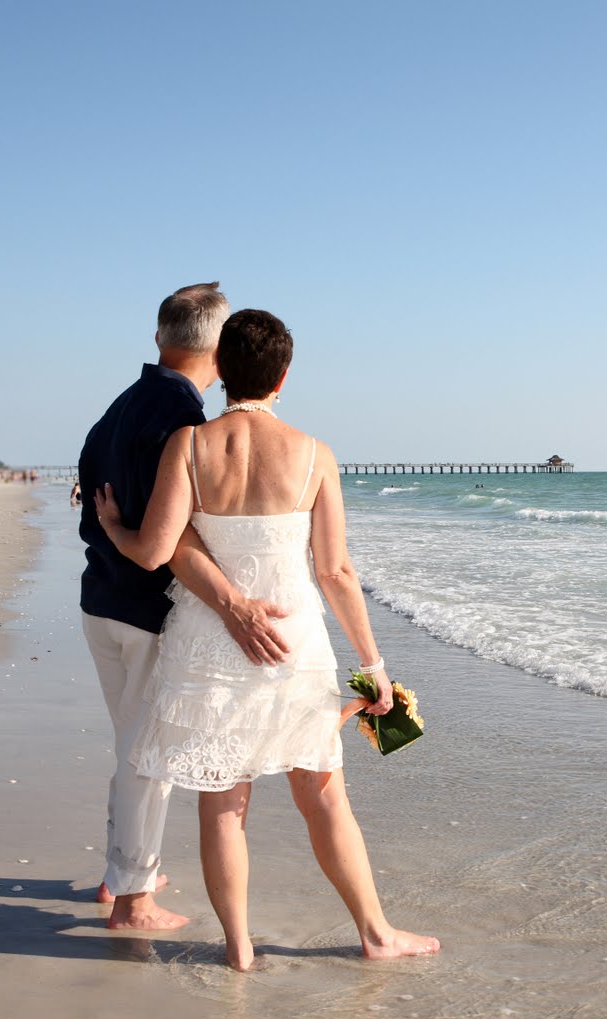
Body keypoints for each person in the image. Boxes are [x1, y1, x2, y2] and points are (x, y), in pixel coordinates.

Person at [95, 308, 440, 970]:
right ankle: (375, 932)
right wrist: (373, 664)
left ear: (220, 369)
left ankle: (239, 945)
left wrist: (112, 525)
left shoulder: (189, 445)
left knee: (224, 802)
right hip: (293, 642)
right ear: (283, 375)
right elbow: (335, 571)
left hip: (209, 638)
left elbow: (155, 550)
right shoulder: (314, 454)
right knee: (324, 794)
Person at [78, 284, 293, 931]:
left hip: (101, 601)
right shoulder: (181, 416)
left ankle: (122, 875)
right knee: (149, 754)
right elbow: (173, 539)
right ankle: (134, 900)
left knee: (134, 746)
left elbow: (92, 489)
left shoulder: (121, 405)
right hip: (144, 610)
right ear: (222, 355)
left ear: (158, 337)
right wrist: (234, 605)